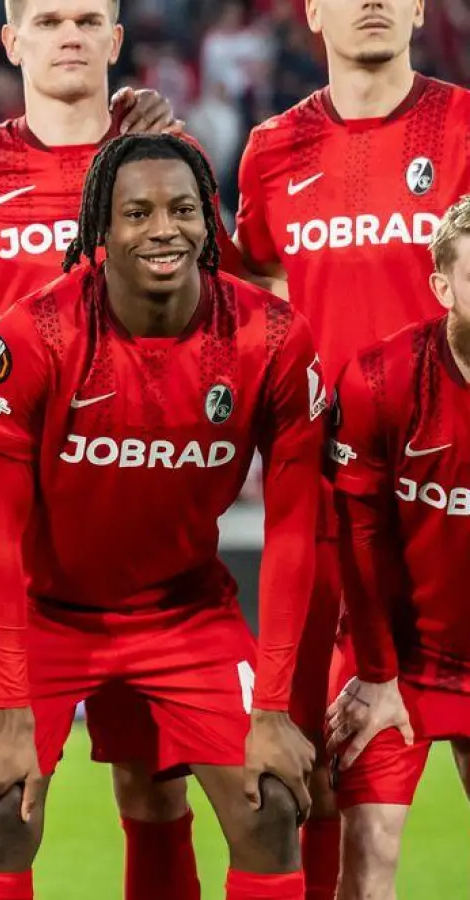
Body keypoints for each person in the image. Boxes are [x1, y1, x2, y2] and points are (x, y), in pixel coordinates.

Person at [0, 4, 227, 894]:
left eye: (91, 18)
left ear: (117, 40)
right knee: (3, 798)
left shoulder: (174, 163)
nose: (70, 35)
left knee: (160, 794)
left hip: (151, 530)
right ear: (11, 41)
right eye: (47, 19)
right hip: (12, 531)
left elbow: (225, 311)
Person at [0, 133, 321, 900]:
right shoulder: (36, 335)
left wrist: (278, 707)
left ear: (207, 220)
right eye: (138, 212)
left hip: (184, 609)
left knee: (272, 802)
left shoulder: (272, 336)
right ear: (100, 230)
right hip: (43, 611)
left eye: (184, 209)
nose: (164, 229)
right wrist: (14, 710)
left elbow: (293, 528)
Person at [233, 2, 470, 893]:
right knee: (316, 777)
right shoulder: (272, 149)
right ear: (313, 12)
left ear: (418, 8)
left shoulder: (465, 124)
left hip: (452, 501)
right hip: (329, 501)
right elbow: (255, 275)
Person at [324, 195, 470, 899]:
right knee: (369, 856)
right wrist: (378, 672)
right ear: (443, 288)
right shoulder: (382, 377)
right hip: (397, 658)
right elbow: (361, 531)